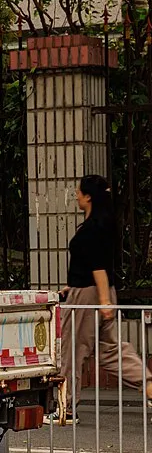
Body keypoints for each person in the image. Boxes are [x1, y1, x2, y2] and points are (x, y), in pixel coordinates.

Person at [56, 174, 152, 422]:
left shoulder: (92, 229)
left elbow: (98, 267)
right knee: (109, 351)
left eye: (79, 191)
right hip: (97, 291)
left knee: (72, 351)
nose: (76, 195)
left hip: (89, 296)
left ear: (88, 197)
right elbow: (93, 265)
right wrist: (76, 287)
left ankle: (66, 407)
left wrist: (103, 301)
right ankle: (149, 386)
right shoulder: (103, 224)